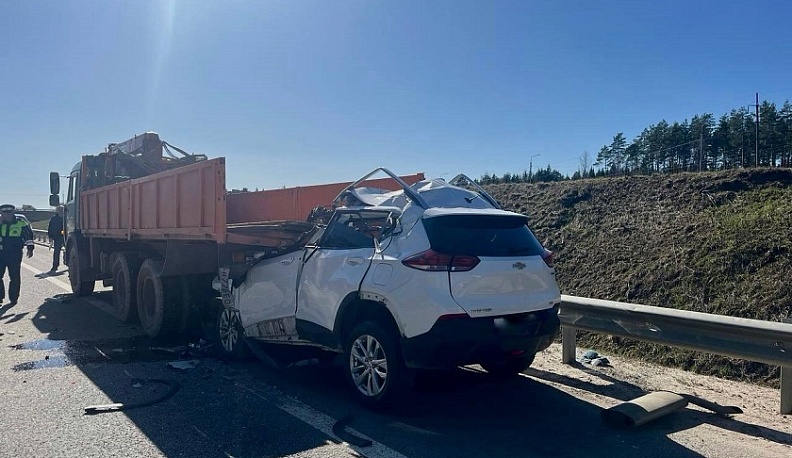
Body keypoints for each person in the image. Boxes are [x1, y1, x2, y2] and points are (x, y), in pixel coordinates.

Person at [0, 204, 34, 305]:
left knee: (14, 276)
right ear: (1, 213)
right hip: (1, 253)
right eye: (4, 213)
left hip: (14, 253)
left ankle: (14, 298)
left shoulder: (21, 222)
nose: (7, 215)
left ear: (13, 212)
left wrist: (30, 248)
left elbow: (28, 235)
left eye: (9, 212)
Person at [47, 206, 64, 273]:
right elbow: (50, 227)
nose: (61, 211)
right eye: (59, 210)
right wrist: (50, 236)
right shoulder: (54, 218)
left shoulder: (67, 217)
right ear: (57, 211)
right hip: (57, 237)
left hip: (66, 236)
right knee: (57, 251)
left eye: (62, 210)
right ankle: (55, 266)